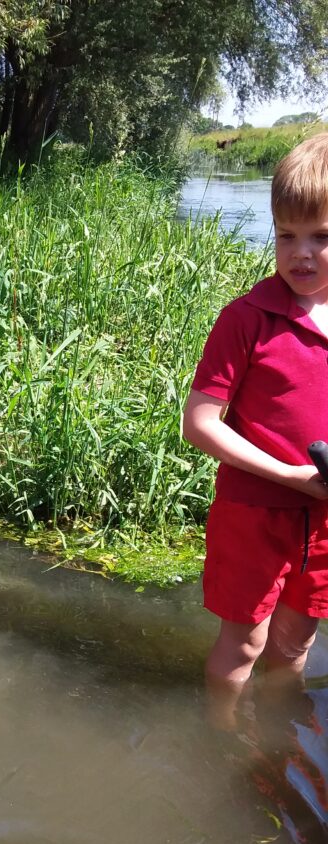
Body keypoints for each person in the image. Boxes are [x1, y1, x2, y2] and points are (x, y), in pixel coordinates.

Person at [183, 132, 328, 731]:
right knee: (243, 644)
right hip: (254, 514)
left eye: (322, 236)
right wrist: (291, 475)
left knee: (293, 644)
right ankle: (219, 736)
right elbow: (199, 423)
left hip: (322, 521)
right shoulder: (247, 320)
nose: (301, 253)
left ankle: (273, 736)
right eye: (285, 234)